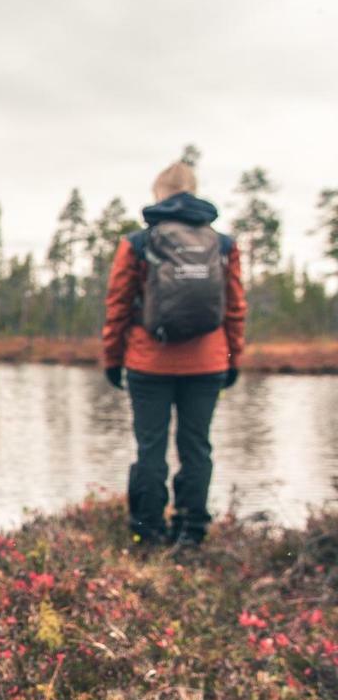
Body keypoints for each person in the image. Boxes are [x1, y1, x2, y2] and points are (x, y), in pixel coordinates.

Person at [101, 160, 246, 548]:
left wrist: (112, 359)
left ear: (158, 194)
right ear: (193, 190)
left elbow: (117, 306)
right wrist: (233, 357)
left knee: (151, 448)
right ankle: (191, 533)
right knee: (196, 446)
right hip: (208, 362)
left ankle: (147, 533)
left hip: (148, 363)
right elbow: (235, 308)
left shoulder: (138, 243)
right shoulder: (224, 244)